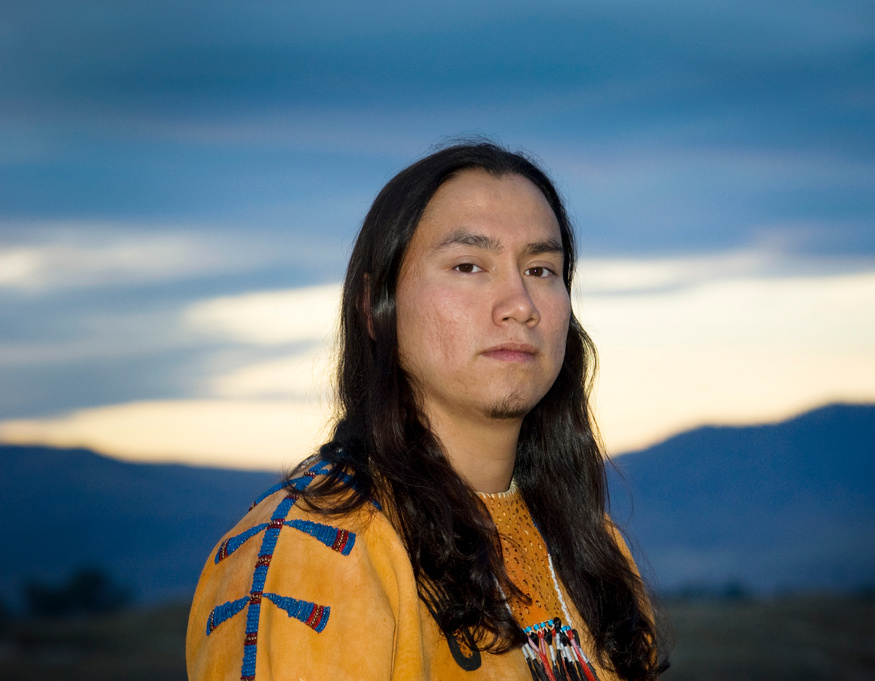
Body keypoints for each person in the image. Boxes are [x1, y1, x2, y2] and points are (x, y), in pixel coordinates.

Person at [186, 141, 664, 680]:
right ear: (375, 309)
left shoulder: (595, 555)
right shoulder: (314, 553)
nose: (520, 306)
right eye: (468, 265)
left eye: (541, 269)